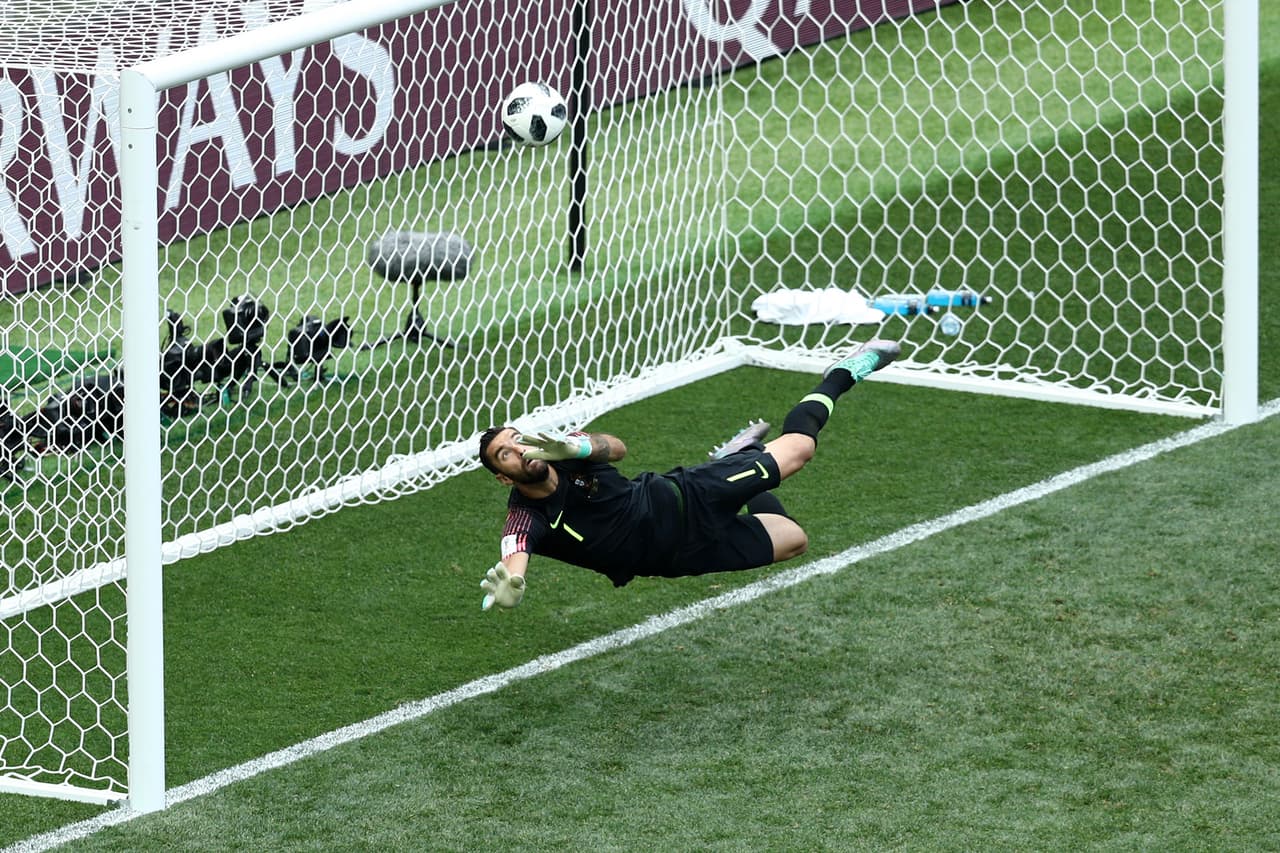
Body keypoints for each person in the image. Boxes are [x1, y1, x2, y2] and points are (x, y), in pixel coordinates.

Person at [475, 339, 901, 610]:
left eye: (516, 439)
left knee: (799, 450)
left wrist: (579, 447)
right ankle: (740, 454)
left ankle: (841, 375)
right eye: (505, 455)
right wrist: (514, 585)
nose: (519, 450)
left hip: (686, 496)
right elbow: (515, 555)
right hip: (677, 555)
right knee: (793, 539)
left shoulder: (561, 448)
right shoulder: (524, 519)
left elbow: (617, 449)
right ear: (503, 478)